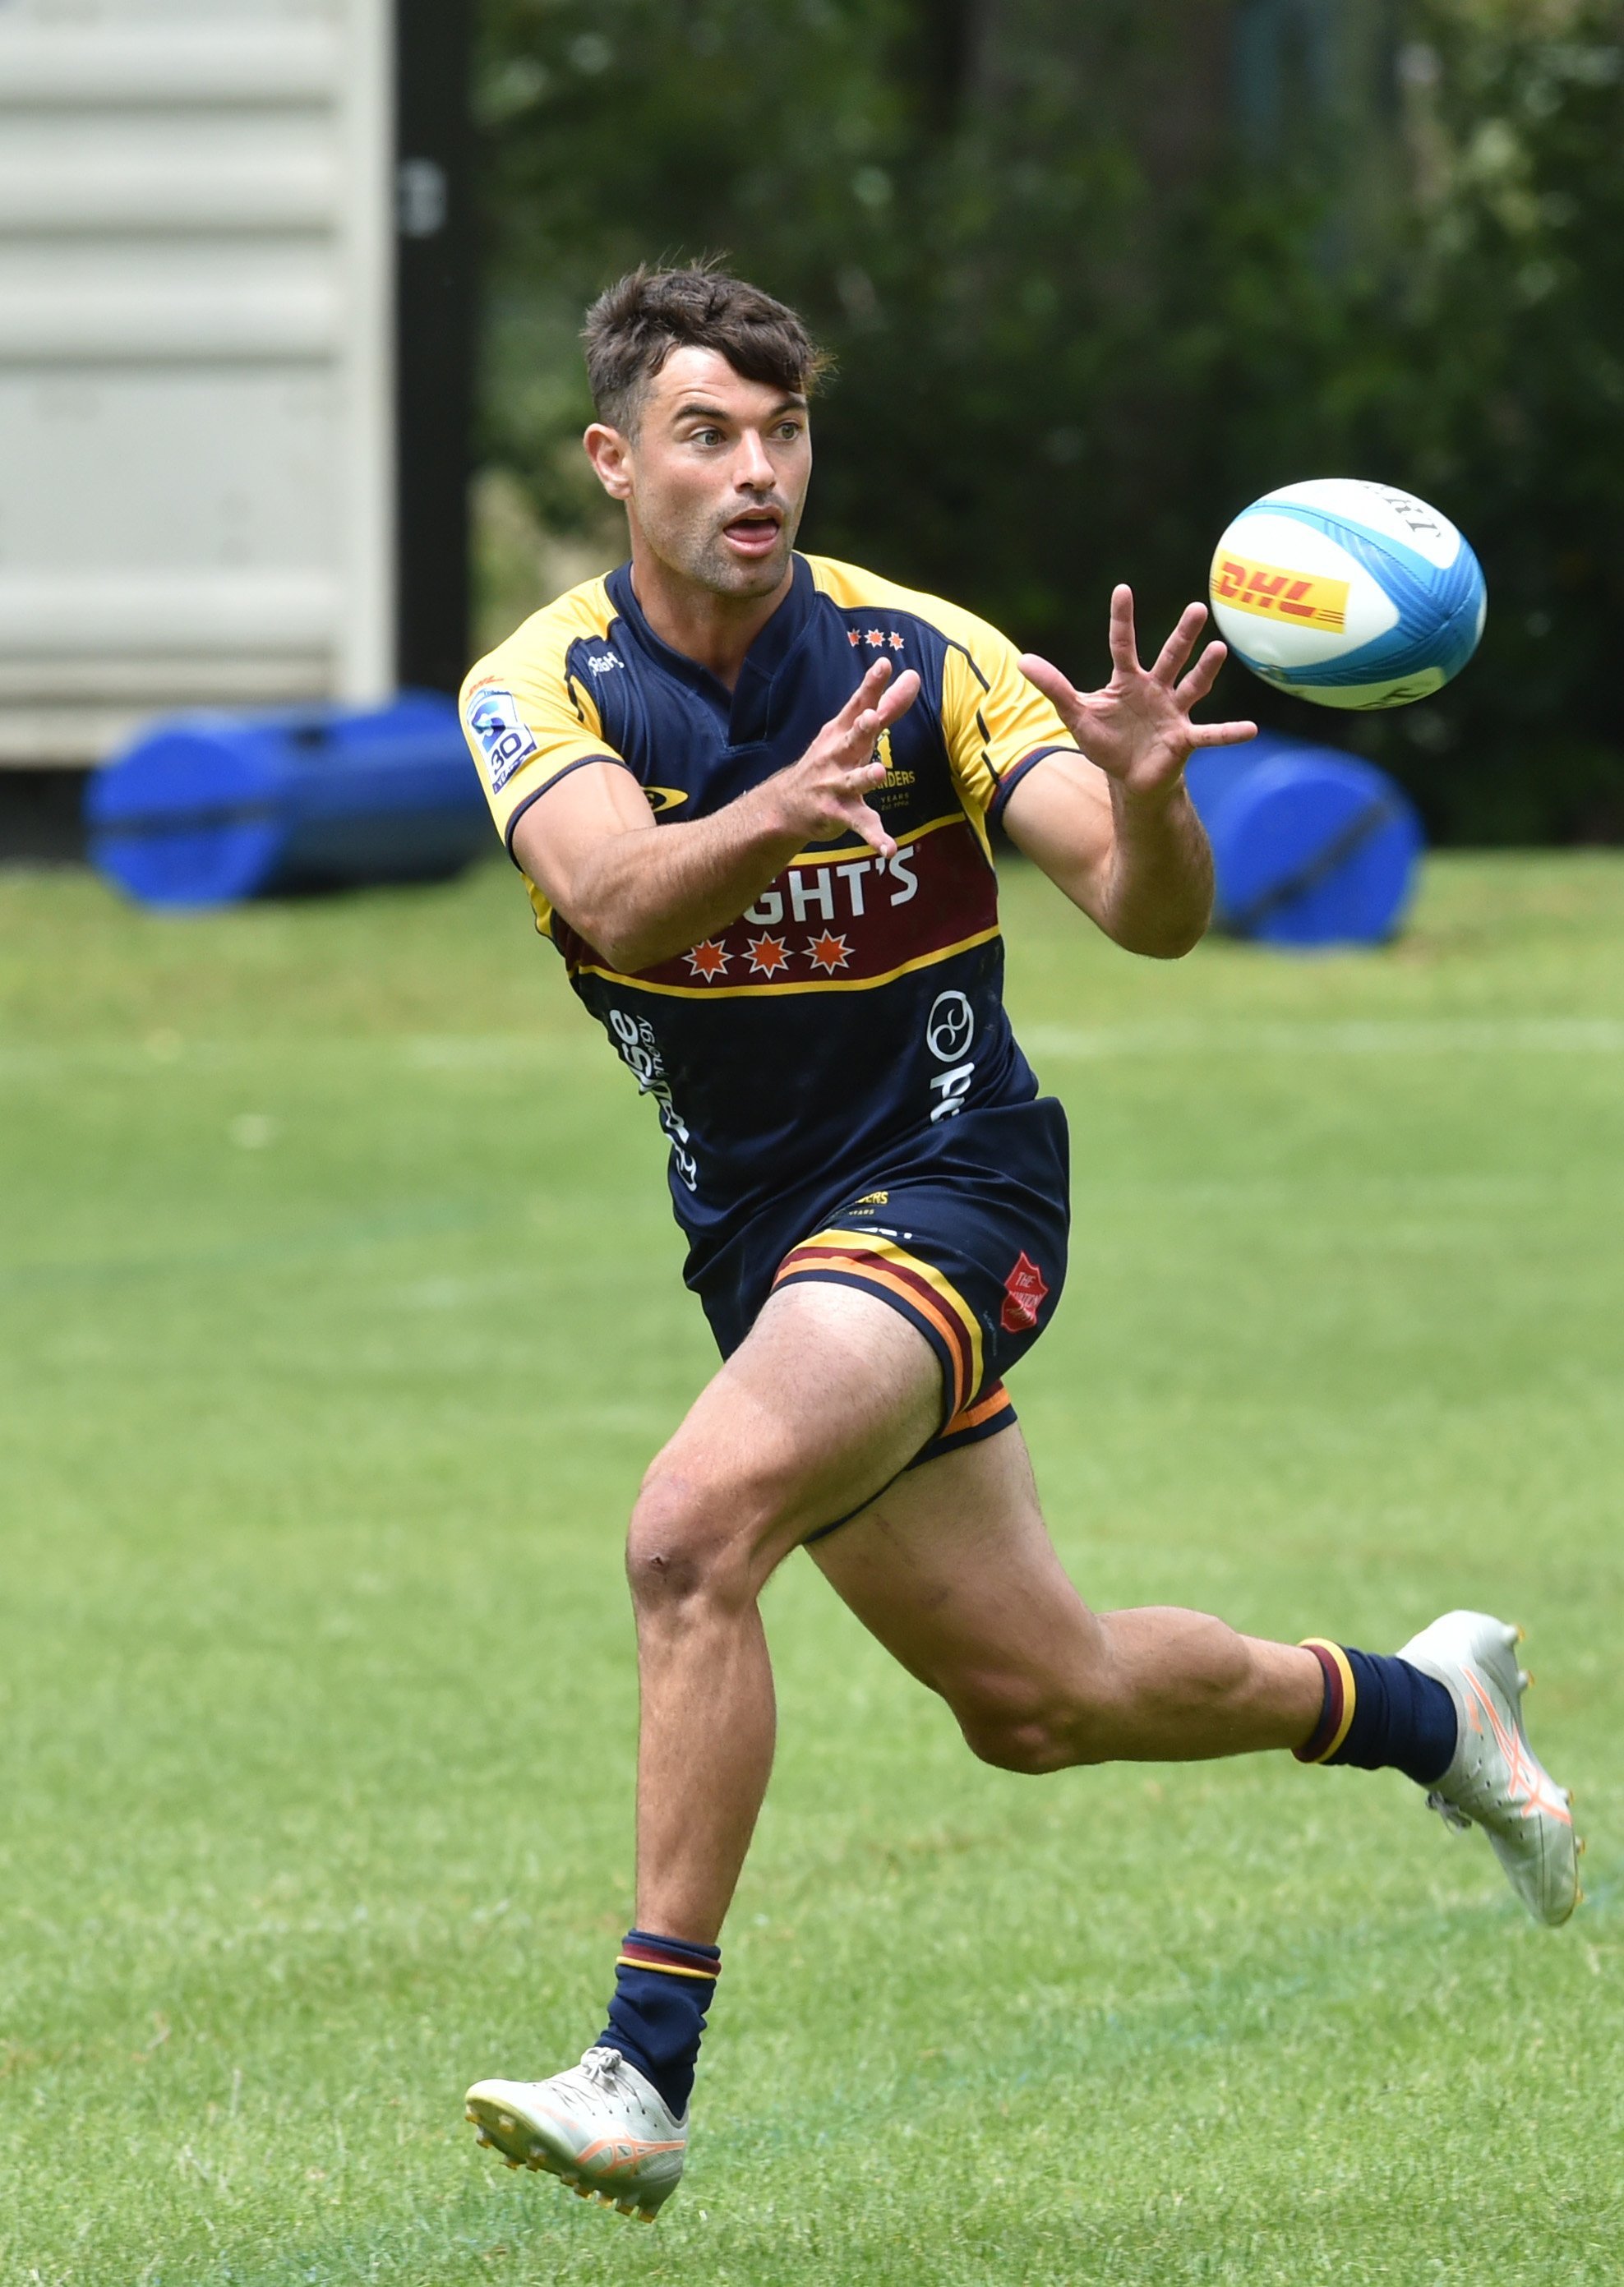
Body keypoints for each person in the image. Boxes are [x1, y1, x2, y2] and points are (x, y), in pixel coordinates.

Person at [457, 265, 1578, 2223]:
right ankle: (1426, 1708)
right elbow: (615, 897)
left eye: (784, 432)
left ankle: (642, 2070)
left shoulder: (927, 658)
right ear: (614, 461)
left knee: (688, 1535)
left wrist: (1149, 801)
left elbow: (1147, 913)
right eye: (709, 435)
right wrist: (782, 810)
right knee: (1040, 1700)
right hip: (766, 1242)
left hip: (957, 1184)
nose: (757, 471)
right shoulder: (536, 686)